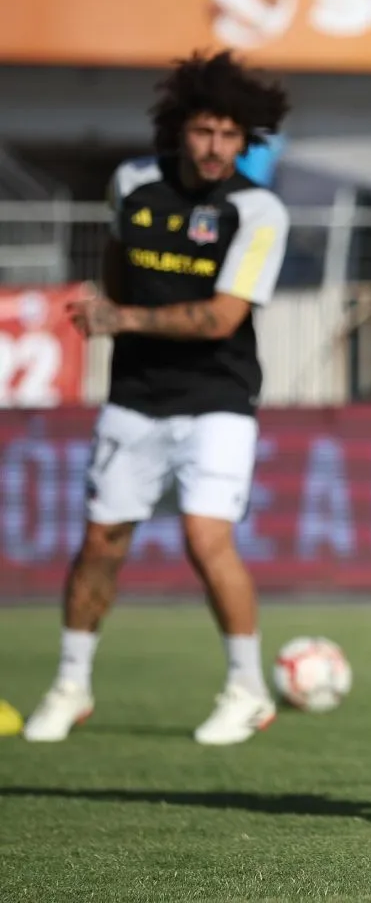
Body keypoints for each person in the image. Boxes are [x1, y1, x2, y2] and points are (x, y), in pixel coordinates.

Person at [22, 50, 291, 746]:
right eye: (205, 131)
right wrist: (111, 307)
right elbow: (115, 270)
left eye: (231, 136)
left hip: (219, 400)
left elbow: (222, 318)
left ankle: (246, 688)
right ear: (180, 128)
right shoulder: (133, 184)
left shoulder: (257, 209)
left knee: (207, 537)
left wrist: (120, 317)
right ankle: (70, 685)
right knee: (101, 543)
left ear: (246, 140)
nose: (216, 147)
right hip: (135, 397)